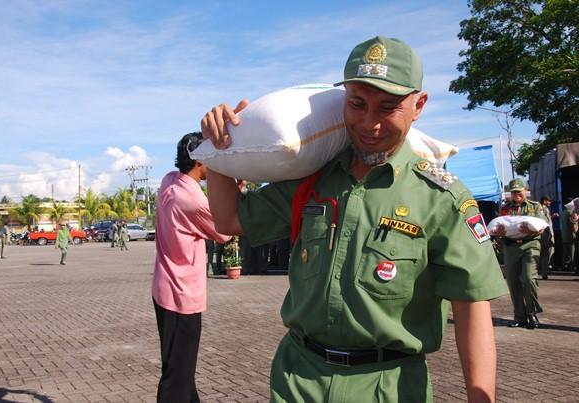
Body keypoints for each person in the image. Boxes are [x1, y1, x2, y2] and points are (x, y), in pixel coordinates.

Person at [201, 36, 508, 402]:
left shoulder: (442, 197)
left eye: (387, 108)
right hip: (299, 379)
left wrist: (480, 396)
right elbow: (229, 219)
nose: (369, 123)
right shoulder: (313, 178)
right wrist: (219, 147)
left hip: (388, 386)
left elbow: (471, 306)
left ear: (418, 105)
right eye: (357, 104)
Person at [151, 132, 231, 402]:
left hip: (164, 290)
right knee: (177, 377)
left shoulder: (169, 181)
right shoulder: (192, 200)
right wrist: (233, 186)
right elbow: (225, 230)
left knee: (179, 367)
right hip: (182, 296)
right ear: (200, 162)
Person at [494, 179, 545, 329]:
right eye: (513, 192)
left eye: (519, 191)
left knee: (529, 278)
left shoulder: (535, 207)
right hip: (511, 247)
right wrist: (499, 233)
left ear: (525, 190)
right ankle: (519, 316)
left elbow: (542, 227)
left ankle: (531, 313)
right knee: (513, 282)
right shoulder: (505, 208)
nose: (516, 195)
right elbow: (499, 229)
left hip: (530, 244)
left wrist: (531, 230)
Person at [560, 198, 579, 272]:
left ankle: (565, 265)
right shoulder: (570, 212)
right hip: (571, 236)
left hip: (564, 236)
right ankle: (572, 266)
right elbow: (573, 226)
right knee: (572, 252)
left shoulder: (563, 212)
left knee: (565, 252)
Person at [538, 196, 555, 279]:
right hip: (544, 235)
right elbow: (543, 222)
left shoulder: (545, 209)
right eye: (549, 201)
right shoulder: (541, 209)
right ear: (544, 201)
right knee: (544, 254)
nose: (550, 203)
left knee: (543, 254)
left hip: (546, 235)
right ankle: (544, 273)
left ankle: (541, 272)